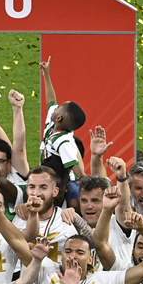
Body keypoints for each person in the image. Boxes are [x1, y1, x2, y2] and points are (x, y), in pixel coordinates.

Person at [38, 57, 87, 188]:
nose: (56, 106)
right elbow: (51, 101)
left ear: (59, 118)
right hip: (47, 179)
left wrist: (86, 181)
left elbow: (77, 169)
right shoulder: (54, 121)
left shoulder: (63, 141)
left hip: (61, 186)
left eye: (60, 107)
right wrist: (46, 75)